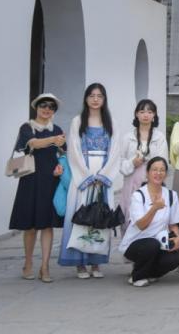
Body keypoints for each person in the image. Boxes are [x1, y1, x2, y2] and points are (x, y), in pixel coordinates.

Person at [60, 82, 119, 279]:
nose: (95, 99)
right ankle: (80, 263)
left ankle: (96, 262)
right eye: (92, 95)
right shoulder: (78, 121)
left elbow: (115, 151)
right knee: (81, 215)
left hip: (103, 175)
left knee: (100, 216)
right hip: (83, 176)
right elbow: (74, 150)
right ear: (86, 98)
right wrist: (86, 176)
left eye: (99, 96)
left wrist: (103, 176)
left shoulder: (111, 122)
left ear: (104, 99)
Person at [9, 93, 65, 282]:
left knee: (47, 225)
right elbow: (33, 144)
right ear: (36, 107)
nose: (47, 109)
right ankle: (28, 263)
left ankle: (45, 267)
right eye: (43, 105)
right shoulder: (27, 127)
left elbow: (62, 155)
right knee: (31, 226)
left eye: (51, 106)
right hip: (30, 180)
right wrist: (53, 139)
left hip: (50, 180)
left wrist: (60, 167)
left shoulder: (57, 129)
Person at [119, 157, 179, 288]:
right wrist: (154, 208)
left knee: (174, 259)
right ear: (147, 173)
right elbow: (141, 225)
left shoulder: (171, 195)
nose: (158, 173)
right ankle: (138, 276)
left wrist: (178, 238)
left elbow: (173, 224)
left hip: (160, 242)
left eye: (162, 170)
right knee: (151, 245)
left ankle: (149, 273)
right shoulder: (138, 195)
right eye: (154, 170)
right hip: (136, 244)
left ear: (166, 174)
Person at [117, 99, 168, 222]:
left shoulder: (159, 137)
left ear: (154, 115)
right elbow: (120, 163)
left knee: (152, 215)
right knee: (130, 216)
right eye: (142, 112)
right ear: (136, 114)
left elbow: (163, 162)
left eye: (150, 112)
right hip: (131, 183)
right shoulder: (128, 137)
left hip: (153, 183)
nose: (146, 115)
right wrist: (132, 163)